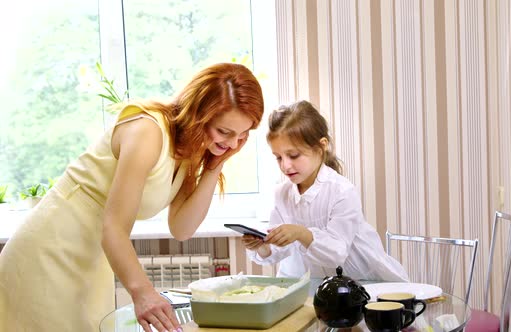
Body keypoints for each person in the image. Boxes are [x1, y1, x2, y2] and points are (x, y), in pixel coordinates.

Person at [0, 63, 264, 332]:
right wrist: (144, 293)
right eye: (224, 132)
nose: (233, 144)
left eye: (243, 135)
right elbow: (114, 228)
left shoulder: (189, 149)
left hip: (91, 256)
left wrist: (216, 163)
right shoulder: (147, 132)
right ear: (198, 114)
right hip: (50, 248)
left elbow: (182, 228)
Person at [243, 100, 408, 282]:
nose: (285, 165)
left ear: (321, 146)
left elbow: (336, 253)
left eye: (293, 155)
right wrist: (262, 246)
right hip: (313, 286)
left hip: (361, 281)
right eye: (278, 157)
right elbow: (279, 250)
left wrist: (301, 233)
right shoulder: (281, 194)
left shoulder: (342, 191)